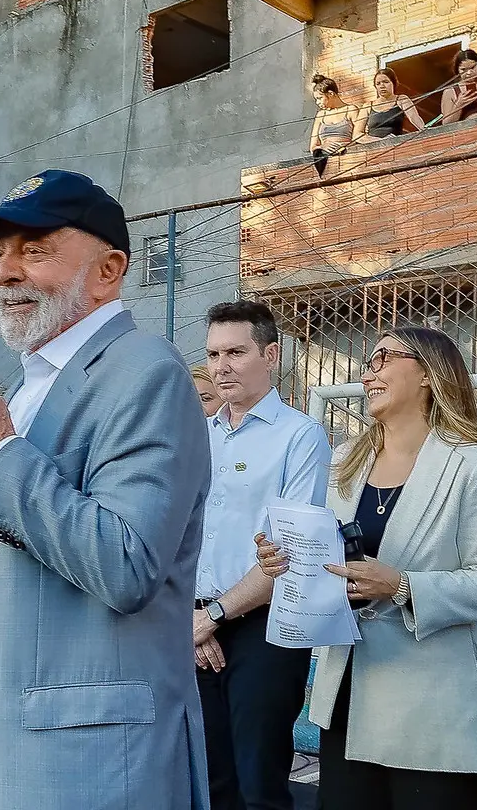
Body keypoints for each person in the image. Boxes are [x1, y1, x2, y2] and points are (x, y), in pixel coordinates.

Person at [0, 169, 213, 810]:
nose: (5, 272)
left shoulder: (147, 374)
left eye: (34, 249)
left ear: (109, 270)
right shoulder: (25, 381)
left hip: (83, 760)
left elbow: (127, 564)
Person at [257, 327, 477, 808]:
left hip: (432, 708)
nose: (368, 370)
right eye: (367, 361)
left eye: (382, 358)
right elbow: (332, 564)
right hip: (349, 698)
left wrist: (402, 586)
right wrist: (288, 563)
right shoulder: (345, 465)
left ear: (427, 373)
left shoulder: (475, 465)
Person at [194, 301, 330, 810]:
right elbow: (178, 538)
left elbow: (286, 553)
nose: (221, 365)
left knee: (259, 785)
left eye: (236, 351)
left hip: (264, 627)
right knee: (209, 783)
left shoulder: (299, 435)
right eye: (213, 354)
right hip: (194, 627)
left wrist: (213, 614)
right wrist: (193, 621)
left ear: (270, 355)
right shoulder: (196, 438)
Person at [357, 68, 423, 142]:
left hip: (394, 144)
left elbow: (414, 117)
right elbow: (357, 135)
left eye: (385, 82)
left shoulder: (401, 99)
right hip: (373, 146)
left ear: (393, 83)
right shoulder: (367, 106)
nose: (382, 86)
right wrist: (377, 140)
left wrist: (425, 130)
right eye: (378, 84)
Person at [308, 76, 355, 175]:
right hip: (323, 156)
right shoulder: (321, 115)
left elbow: (358, 137)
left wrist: (342, 147)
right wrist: (321, 148)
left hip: (346, 156)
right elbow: (313, 145)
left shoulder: (351, 110)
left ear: (331, 94)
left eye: (320, 98)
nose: (318, 102)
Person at [437, 50, 477, 125]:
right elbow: (446, 123)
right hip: (468, 130)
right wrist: (459, 104)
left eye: (472, 68)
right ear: (457, 70)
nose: (469, 73)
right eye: (463, 69)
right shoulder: (450, 91)